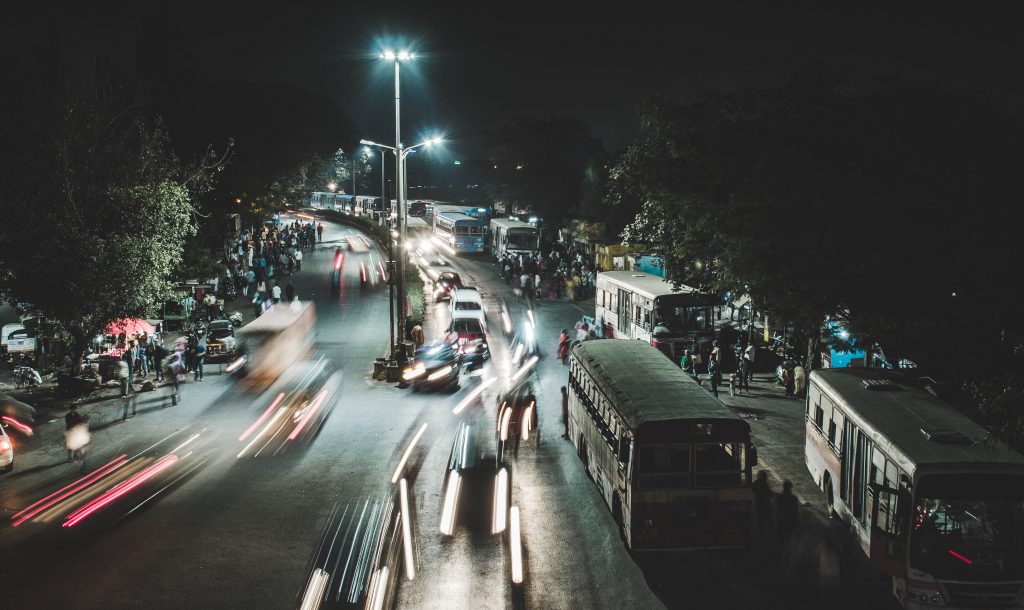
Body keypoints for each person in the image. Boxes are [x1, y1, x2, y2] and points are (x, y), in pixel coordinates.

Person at [776, 480, 799, 546]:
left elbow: (777, 508)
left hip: (782, 519)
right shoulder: (793, 498)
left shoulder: (779, 497)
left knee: (782, 538)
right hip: (791, 520)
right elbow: (796, 511)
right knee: (791, 537)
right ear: (790, 488)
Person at [752, 470, 774, 536]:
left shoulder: (756, 483)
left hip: (760, 507)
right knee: (768, 522)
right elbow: (770, 494)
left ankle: (762, 536)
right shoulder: (764, 483)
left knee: (761, 523)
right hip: (765, 506)